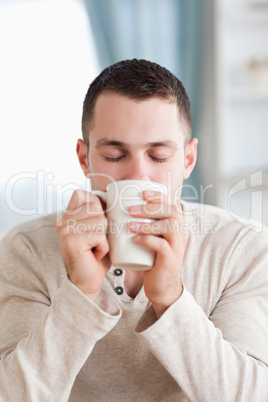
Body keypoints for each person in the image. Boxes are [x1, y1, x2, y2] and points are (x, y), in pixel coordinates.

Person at [0, 59, 267, 402]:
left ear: (187, 160)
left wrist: (170, 296)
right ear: (85, 159)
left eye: (158, 156)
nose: (138, 176)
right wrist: (81, 294)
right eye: (114, 155)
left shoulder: (241, 248)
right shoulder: (27, 250)